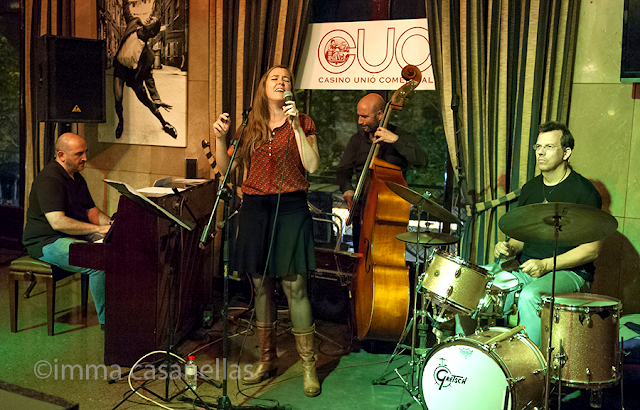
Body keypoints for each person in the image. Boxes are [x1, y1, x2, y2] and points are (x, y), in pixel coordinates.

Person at [212, 66, 321, 397]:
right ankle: (267, 359)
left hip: (291, 208)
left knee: (295, 286)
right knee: (260, 286)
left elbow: (313, 165)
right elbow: (225, 168)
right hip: (256, 209)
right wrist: (219, 137)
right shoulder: (250, 126)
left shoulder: (303, 122)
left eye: (286, 79)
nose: (281, 82)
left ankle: (308, 366)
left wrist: (296, 128)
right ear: (263, 87)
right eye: (274, 78)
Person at [492, 121, 602, 347]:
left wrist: (545, 265)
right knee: (485, 286)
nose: (540, 152)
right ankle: (476, 359)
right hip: (527, 267)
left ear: (566, 152)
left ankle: (535, 371)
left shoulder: (585, 192)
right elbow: (521, 237)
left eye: (549, 147)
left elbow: (591, 250)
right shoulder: (531, 188)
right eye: (537, 146)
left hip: (571, 272)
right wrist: (510, 248)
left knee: (530, 296)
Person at [22, 133, 112, 329]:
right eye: (79, 154)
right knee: (96, 262)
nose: (85, 158)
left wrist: (112, 226)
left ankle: (125, 309)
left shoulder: (77, 178)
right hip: (47, 241)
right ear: (62, 155)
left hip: (71, 235)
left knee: (115, 245)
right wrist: (99, 229)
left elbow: (91, 211)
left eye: (85, 152)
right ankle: (108, 323)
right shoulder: (49, 180)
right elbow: (58, 223)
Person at [336, 93, 427, 250]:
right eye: (358, 116)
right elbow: (343, 170)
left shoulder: (403, 136)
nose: (360, 121)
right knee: (360, 255)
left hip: (391, 212)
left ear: (380, 115)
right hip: (362, 211)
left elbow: (422, 160)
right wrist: (348, 190)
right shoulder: (357, 140)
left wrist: (396, 141)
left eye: (364, 117)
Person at [113, 0, 176, 139]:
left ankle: (164, 123)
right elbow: (126, 11)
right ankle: (121, 123)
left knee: (146, 100)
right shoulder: (134, 22)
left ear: (152, 32)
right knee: (118, 98)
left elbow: (149, 79)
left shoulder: (148, 56)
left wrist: (157, 98)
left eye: (151, 20)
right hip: (120, 69)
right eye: (150, 17)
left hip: (133, 75)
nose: (149, 18)